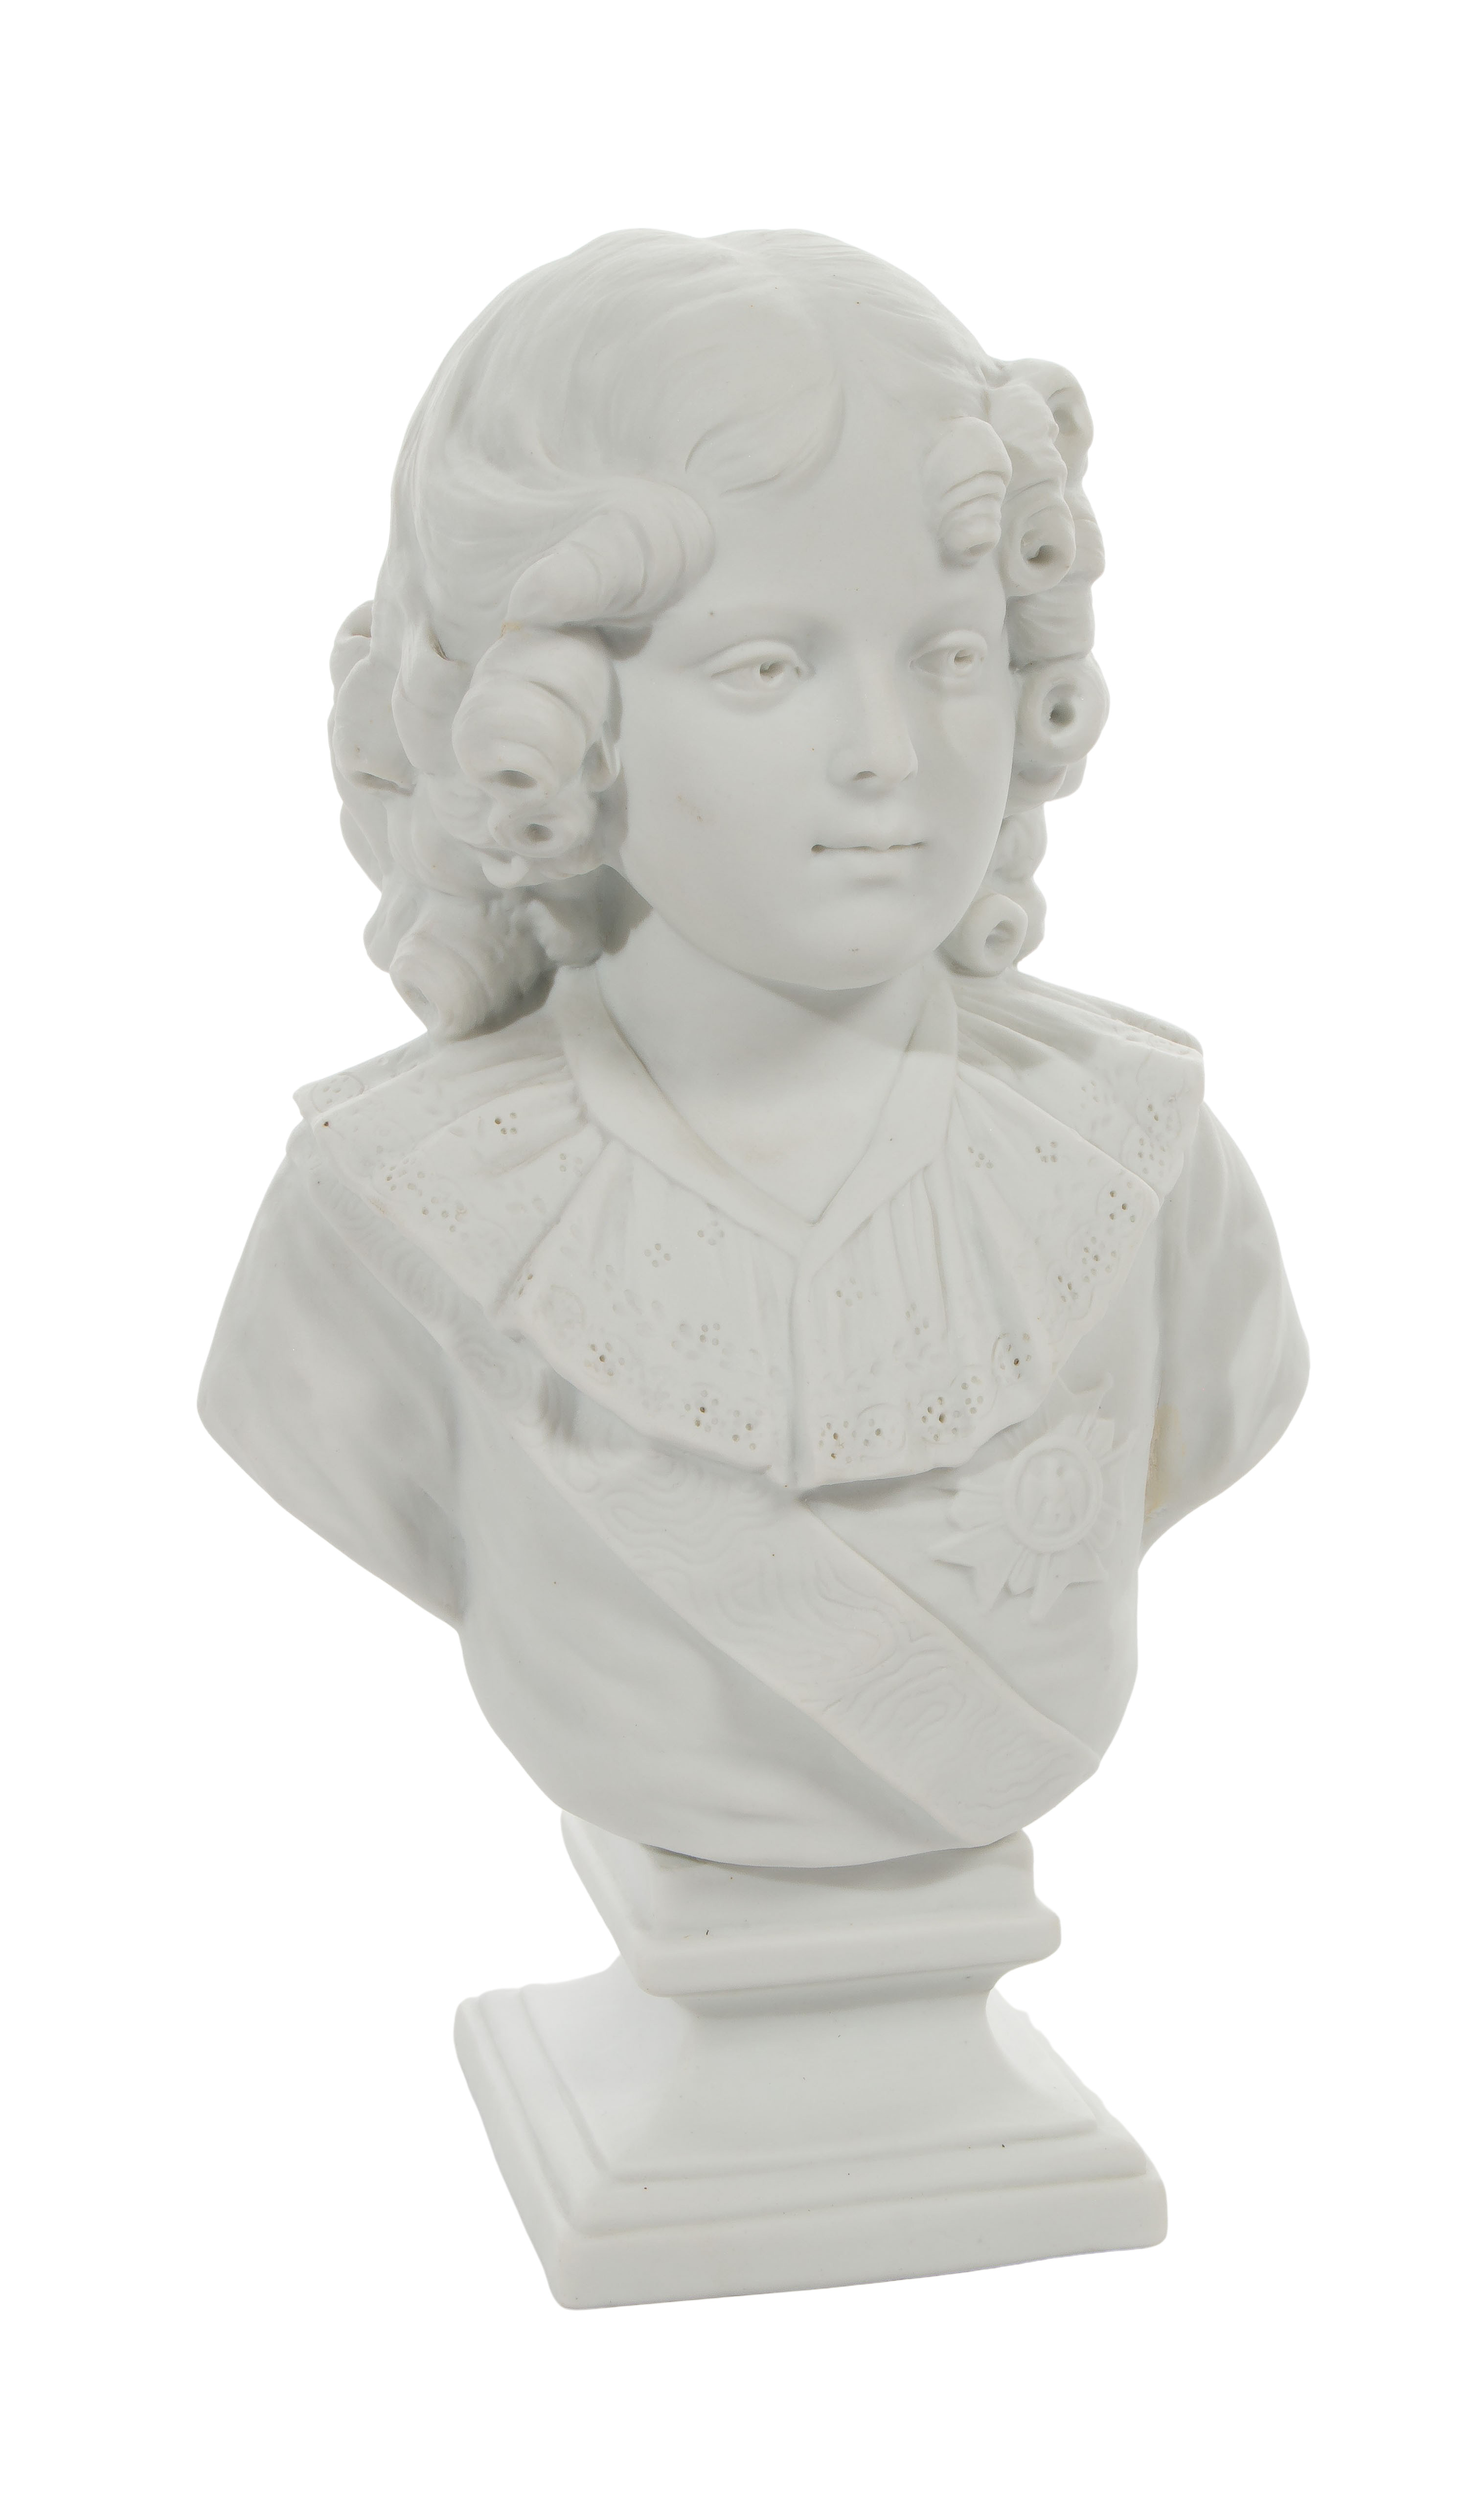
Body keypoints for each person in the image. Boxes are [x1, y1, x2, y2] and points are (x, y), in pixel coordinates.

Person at [201, 230, 1306, 1867]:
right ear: (560, 726)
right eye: (769, 666)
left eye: (950, 654)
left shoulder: (1137, 1169)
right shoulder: (386, 1223)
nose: (889, 753)